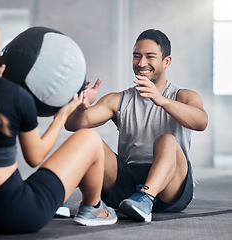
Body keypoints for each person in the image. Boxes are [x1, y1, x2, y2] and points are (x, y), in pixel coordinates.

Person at [0, 1, 117, 234]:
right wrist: (62, 114)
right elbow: (35, 157)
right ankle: (93, 208)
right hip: (14, 214)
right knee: (89, 139)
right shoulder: (13, 95)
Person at [65, 29, 208, 222]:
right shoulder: (118, 100)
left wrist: (161, 100)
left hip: (170, 187)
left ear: (166, 61)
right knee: (88, 140)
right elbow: (73, 125)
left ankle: (146, 198)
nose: (141, 63)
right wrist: (81, 108)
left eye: (150, 57)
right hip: (128, 182)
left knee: (167, 140)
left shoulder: (184, 96)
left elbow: (201, 122)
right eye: (136, 56)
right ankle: (57, 197)